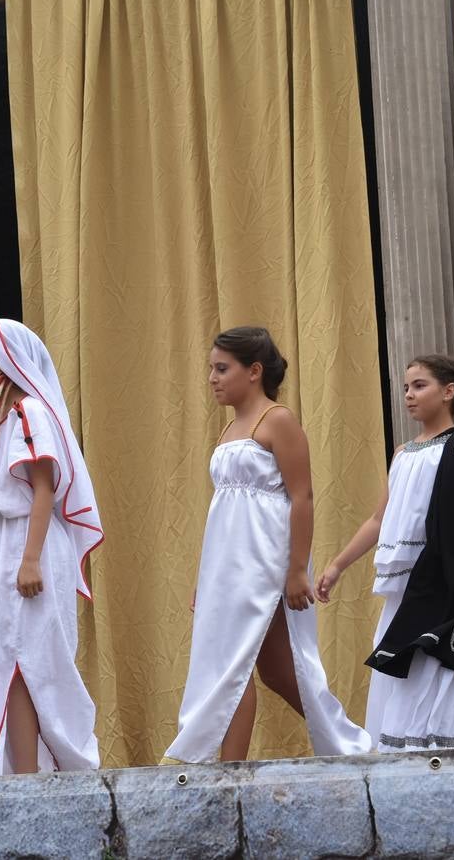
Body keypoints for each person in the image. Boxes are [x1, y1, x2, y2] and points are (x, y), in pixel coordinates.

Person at [163, 327, 370, 763]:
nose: (212, 378)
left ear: (254, 371)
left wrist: (297, 569)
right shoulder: (230, 428)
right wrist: (208, 579)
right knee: (276, 670)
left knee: (233, 666)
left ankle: (228, 771)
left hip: (263, 560)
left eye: (222, 369)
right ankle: (351, 748)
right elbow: (224, 514)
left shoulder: (277, 419)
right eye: (211, 369)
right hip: (229, 565)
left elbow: (302, 496)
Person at [318, 355, 454, 751]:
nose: (408, 395)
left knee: (442, 670)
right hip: (405, 588)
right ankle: (407, 760)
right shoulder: (402, 454)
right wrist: (337, 565)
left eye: (419, 385)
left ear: (448, 391)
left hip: (446, 582)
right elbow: (378, 519)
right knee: (402, 671)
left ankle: (446, 757)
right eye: (405, 387)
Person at [0, 318, 103, 776]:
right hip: (5, 547)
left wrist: (30, 559)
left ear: (0, 365)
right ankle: (23, 774)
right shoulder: (3, 419)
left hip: (24, 545)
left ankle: (35, 774)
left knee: (28, 657)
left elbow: (43, 489)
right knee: (5, 660)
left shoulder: (28, 413)